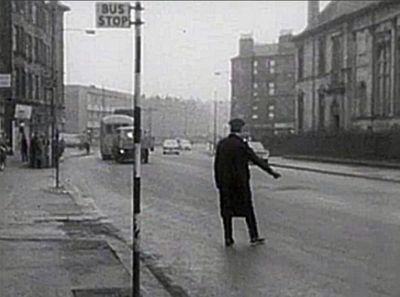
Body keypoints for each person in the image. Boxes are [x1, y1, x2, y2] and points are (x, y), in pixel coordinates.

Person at [214, 118, 281, 247]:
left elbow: (217, 165)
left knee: (227, 211)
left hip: (226, 184)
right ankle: (253, 236)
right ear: (241, 129)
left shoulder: (222, 144)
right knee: (248, 210)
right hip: (240, 184)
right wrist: (271, 172)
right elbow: (256, 160)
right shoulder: (241, 145)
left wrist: (219, 182)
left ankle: (228, 238)